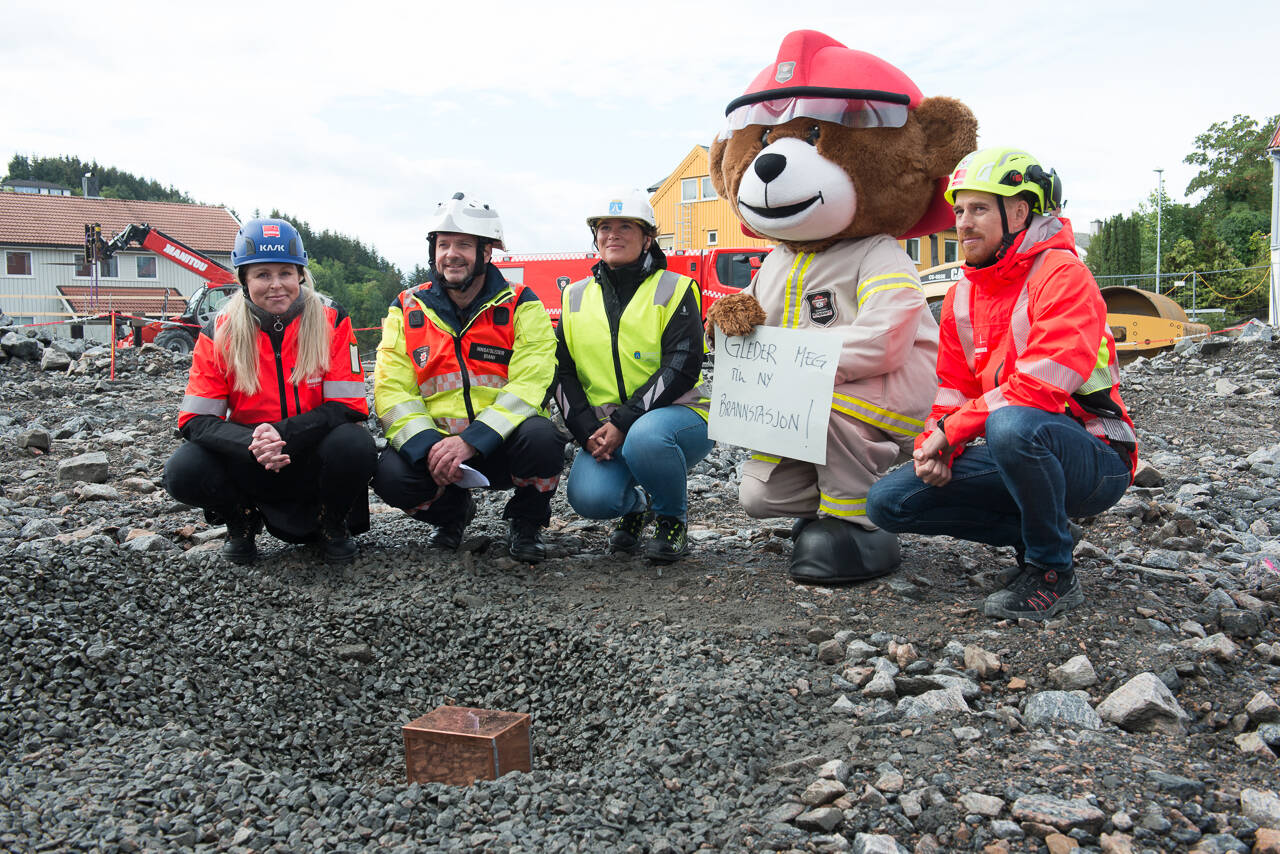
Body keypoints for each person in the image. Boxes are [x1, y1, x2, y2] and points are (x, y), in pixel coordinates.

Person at [866, 148, 1137, 620]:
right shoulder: (962, 294)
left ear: (1018, 211)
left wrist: (955, 432)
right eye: (959, 210)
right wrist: (936, 440)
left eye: (978, 209)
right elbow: (950, 389)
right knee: (889, 503)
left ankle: (1052, 571)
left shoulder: (1064, 276)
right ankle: (1041, 531)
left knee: (1015, 424)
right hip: (1015, 443)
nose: (962, 223)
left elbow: (1039, 388)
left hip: (1095, 456)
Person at [163, 217, 376, 564]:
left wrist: (281, 433)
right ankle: (241, 523)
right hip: (250, 459)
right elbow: (194, 422)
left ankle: (331, 523)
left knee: (356, 444)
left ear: (301, 276)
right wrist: (253, 444)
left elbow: (349, 407)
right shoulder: (218, 331)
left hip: (310, 455)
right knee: (183, 469)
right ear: (243, 280)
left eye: (285, 273)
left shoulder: (331, 319)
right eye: (263, 274)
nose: (276, 285)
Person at [371, 193, 563, 562]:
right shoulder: (407, 308)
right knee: (388, 476)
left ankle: (526, 521)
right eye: (443, 244)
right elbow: (391, 389)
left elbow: (531, 383)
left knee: (542, 438)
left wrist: (474, 440)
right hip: (438, 449)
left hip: (501, 444)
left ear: (486, 253)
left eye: (463, 244)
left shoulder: (522, 303)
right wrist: (427, 446)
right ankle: (453, 513)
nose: (451, 254)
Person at [554, 191, 714, 563]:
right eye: (604, 227)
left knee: (646, 438)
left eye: (626, 226)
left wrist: (625, 421)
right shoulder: (574, 296)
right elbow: (560, 368)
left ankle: (672, 519)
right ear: (595, 237)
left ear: (647, 238)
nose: (613, 234)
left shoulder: (675, 288)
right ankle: (635, 507)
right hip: (607, 426)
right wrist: (584, 430)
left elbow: (683, 364)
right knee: (591, 499)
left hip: (679, 418)